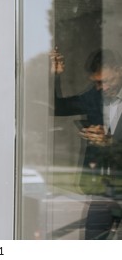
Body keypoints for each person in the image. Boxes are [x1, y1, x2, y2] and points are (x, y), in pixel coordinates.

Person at [51, 48, 122, 239]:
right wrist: (55, 76)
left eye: (105, 81)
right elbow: (57, 108)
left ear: (119, 70)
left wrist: (111, 142)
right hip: (102, 192)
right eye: (97, 83)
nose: (102, 88)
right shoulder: (94, 96)